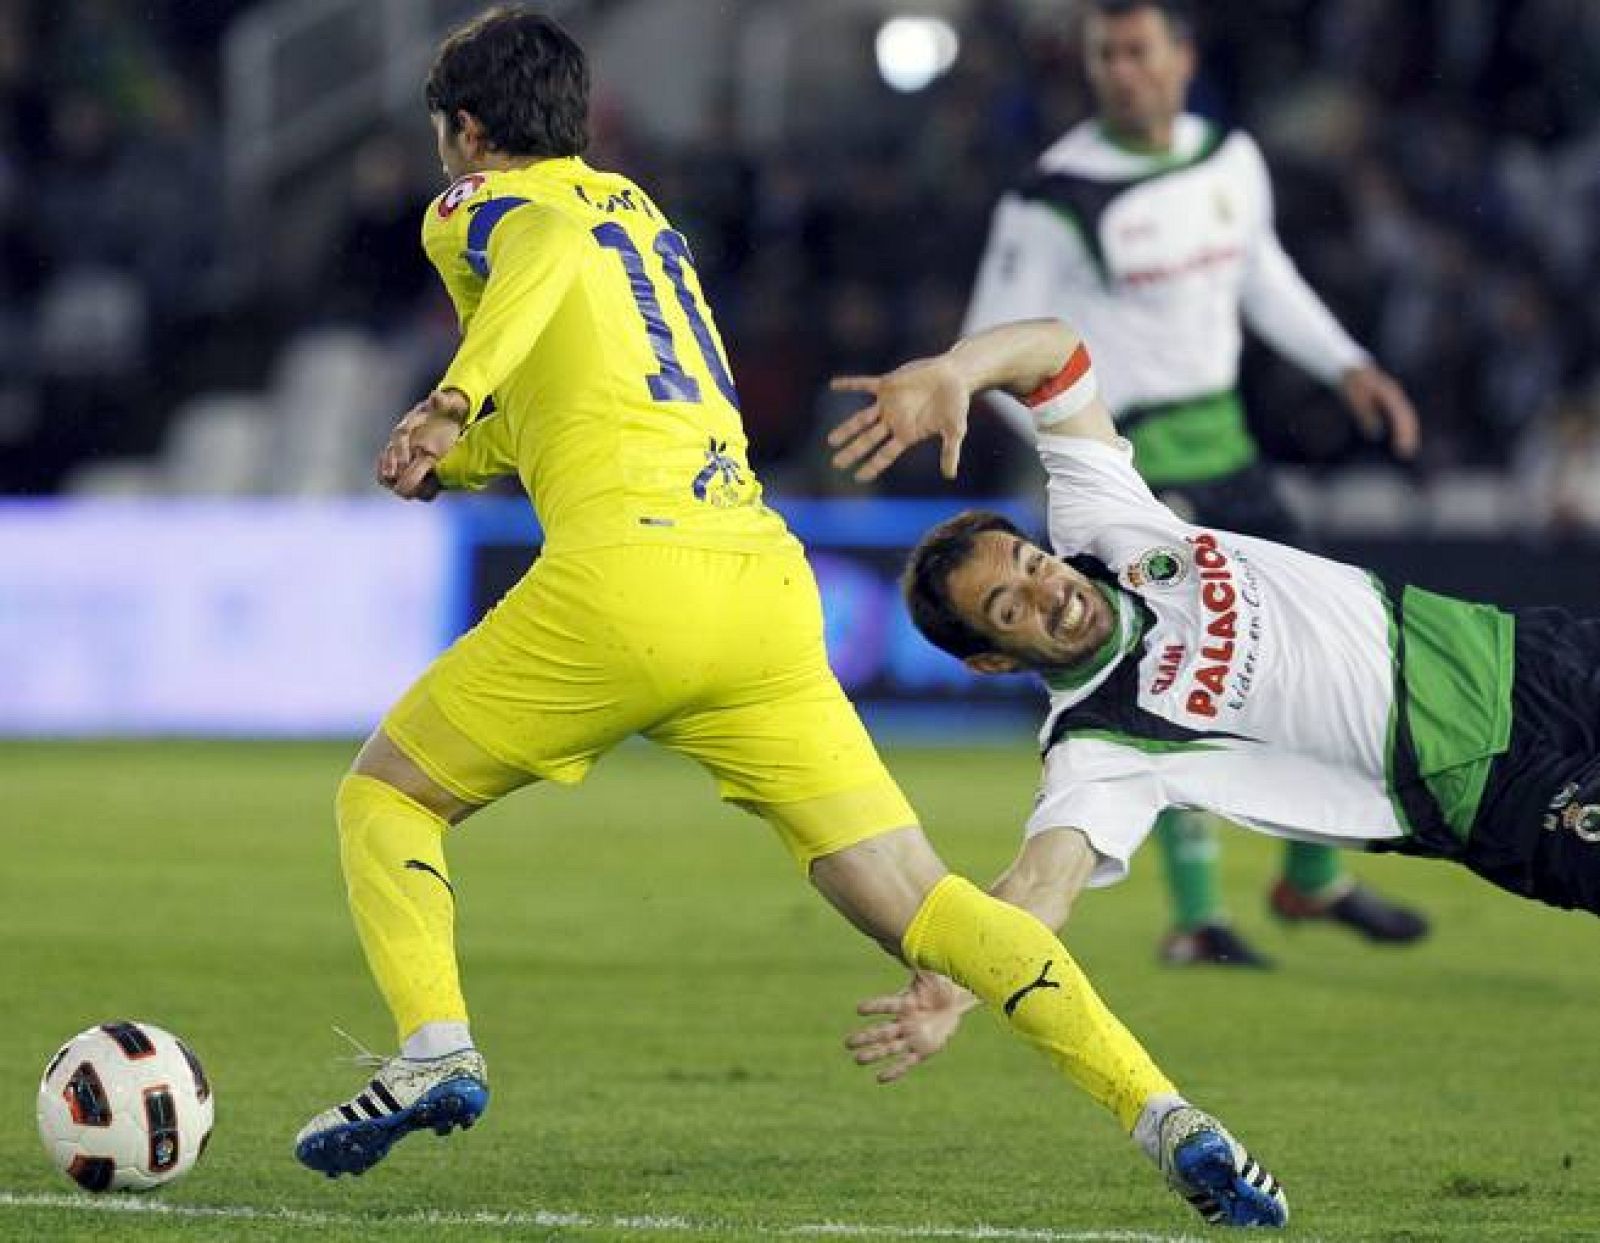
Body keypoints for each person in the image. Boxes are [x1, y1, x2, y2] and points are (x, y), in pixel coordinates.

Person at [291, 7, 1287, 1229]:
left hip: (625, 579)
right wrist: (456, 458)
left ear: (465, 128)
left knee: (386, 799)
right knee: (927, 905)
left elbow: (534, 255)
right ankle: (1163, 1112)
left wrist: (448, 400)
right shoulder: (638, 214)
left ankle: (434, 1046)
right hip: (759, 586)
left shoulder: (480, 205)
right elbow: (589, 400)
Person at [828, 316, 1600, 1081]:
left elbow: (1055, 354)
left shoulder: (1107, 525)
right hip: (1491, 786)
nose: (1048, 591)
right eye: (1010, 609)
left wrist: (960, 370)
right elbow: (1038, 889)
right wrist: (956, 987)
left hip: (1527, 651)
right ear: (995, 660)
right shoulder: (1098, 744)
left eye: (1032, 563)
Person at [961, 0, 1427, 965]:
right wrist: (1091, 458)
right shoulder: (1054, 196)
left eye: (1137, 51)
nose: (1121, 71)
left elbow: (1262, 275)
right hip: (1140, 471)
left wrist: (1346, 362)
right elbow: (985, 351)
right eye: (1105, 55)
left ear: (1182, 57)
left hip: (1233, 450)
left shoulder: (1229, 158)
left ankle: (1312, 880)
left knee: (1302, 656)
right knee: (1166, 675)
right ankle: (1198, 916)